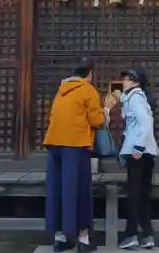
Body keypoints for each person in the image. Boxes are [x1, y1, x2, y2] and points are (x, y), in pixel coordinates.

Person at [43, 58, 109, 253]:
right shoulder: (88, 89)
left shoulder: (61, 91)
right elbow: (96, 120)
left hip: (54, 144)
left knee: (57, 190)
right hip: (75, 145)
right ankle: (83, 239)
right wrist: (107, 110)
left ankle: (60, 237)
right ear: (90, 74)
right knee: (80, 190)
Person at [108, 67, 159, 250]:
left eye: (128, 78)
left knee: (134, 194)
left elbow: (146, 123)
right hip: (147, 153)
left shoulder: (136, 98)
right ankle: (147, 234)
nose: (123, 81)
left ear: (136, 82)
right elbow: (114, 93)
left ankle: (131, 234)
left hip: (138, 152)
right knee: (143, 194)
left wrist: (137, 148)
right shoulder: (133, 97)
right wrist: (118, 88)